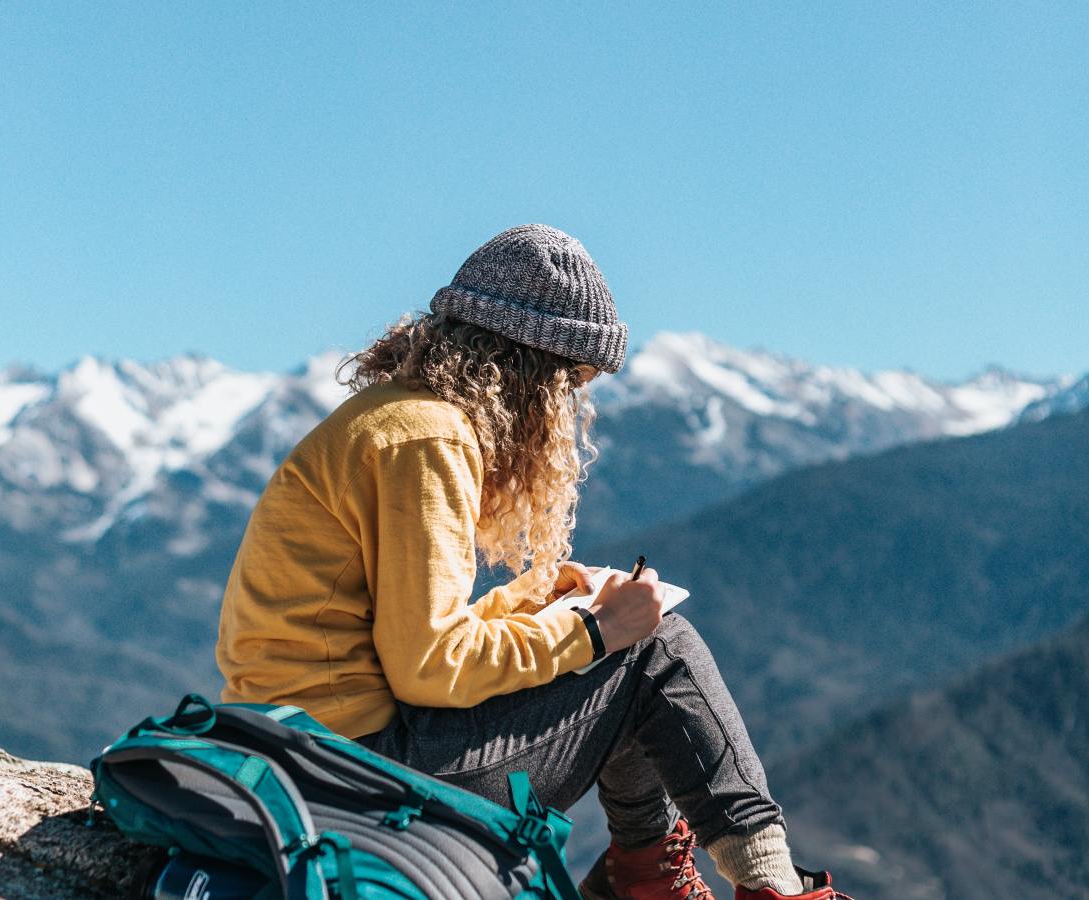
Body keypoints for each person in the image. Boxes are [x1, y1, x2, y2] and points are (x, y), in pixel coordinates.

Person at [216, 224, 852, 900]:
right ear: (529, 373)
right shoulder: (429, 439)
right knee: (654, 647)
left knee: (626, 648)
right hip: (353, 775)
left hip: (303, 754)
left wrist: (537, 599)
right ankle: (766, 887)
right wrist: (595, 632)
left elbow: (400, 641)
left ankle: (652, 878)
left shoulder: (392, 419)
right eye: (571, 383)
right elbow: (428, 666)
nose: (571, 408)